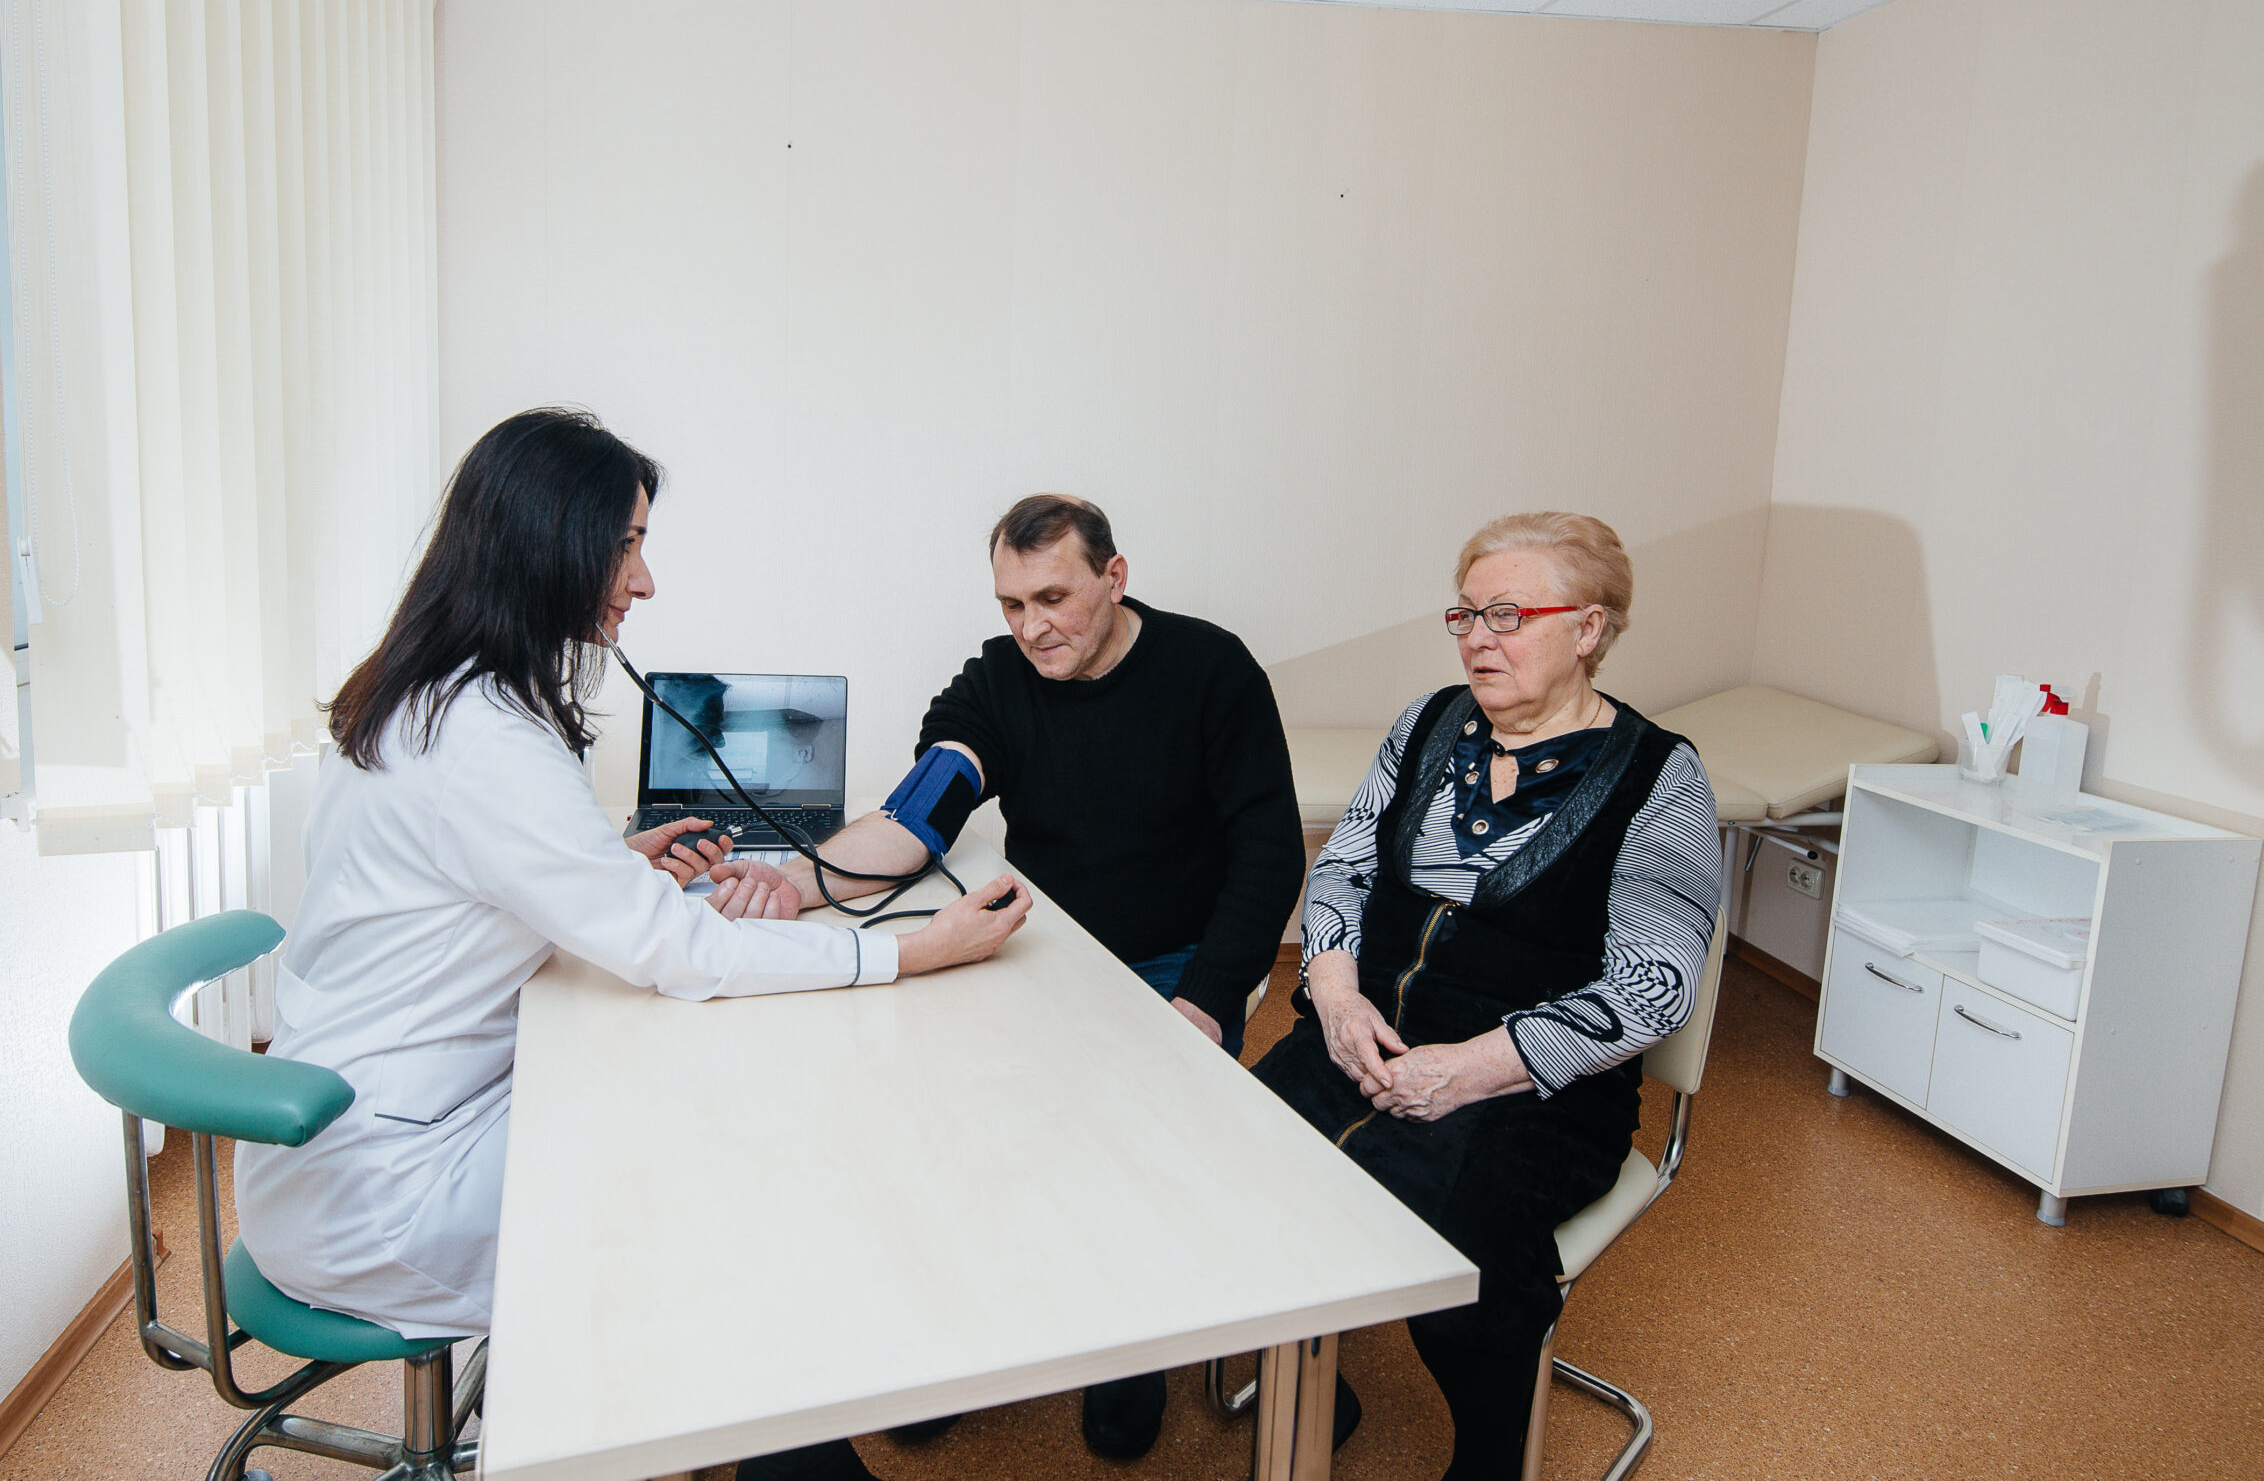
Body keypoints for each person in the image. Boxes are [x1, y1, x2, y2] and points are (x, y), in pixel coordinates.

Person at [232, 408, 1030, 1343]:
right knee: (714, 1188)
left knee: (674, 1093)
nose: (643, 581)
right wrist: (909, 953)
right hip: (387, 1189)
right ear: (549, 545)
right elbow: (681, 950)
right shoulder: (490, 741)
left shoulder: (424, 691)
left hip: (354, 1129)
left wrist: (598, 865)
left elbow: (449, 886)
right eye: (626, 546)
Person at [768, 493, 1306, 1467]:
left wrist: (1210, 998)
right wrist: (794, 880)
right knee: (947, 1120)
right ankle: (956, 1347)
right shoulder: (1000, 677)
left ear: (1115, 576)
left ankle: (1127, 1352)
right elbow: (923, 810)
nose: (1030, 626)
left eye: (1052, 596)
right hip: (1041, 942)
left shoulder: (1209, 670)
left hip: (1173, 959)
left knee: (1131, 1153)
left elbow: (1267, 852)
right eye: (1011, 602)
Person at [1248, 512, 1719, 1481]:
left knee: (1456, 1243)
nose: (1476, 637)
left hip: (1532, 1092)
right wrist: (1333, 992)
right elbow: (1342, 865)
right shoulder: (1428, 721)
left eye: (1507, 614)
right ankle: (1311, 1375)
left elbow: (1653, 984)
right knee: (1234, 1162)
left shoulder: (1657, 777)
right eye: (1465, 612)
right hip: (1363, 1037)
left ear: (1587, 628)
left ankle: (1492, 1447)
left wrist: (1467, 1069)